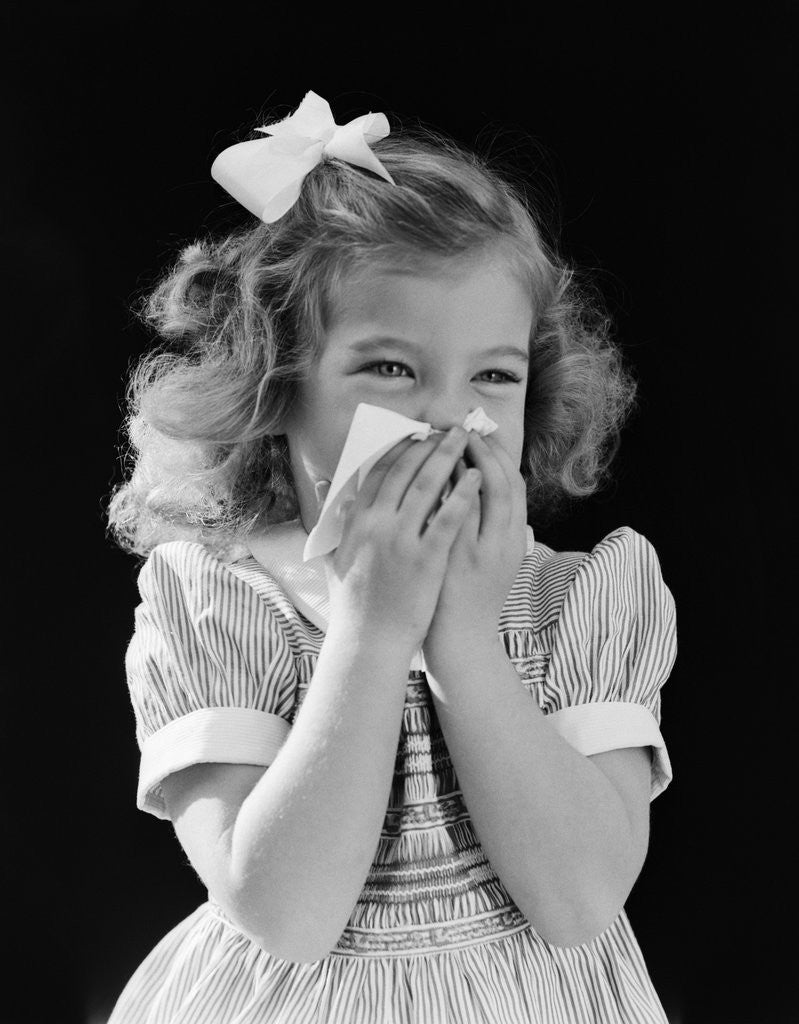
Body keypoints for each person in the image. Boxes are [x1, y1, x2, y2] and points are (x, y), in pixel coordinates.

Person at [106, 90, 677, 1024]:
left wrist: (463, 640)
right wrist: (371, 632)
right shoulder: (215, 603)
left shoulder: (584, 599)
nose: (450, 418)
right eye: (391, 369)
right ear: (278, 386)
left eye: (493, 375)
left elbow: (579, 903)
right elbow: (285, 916)